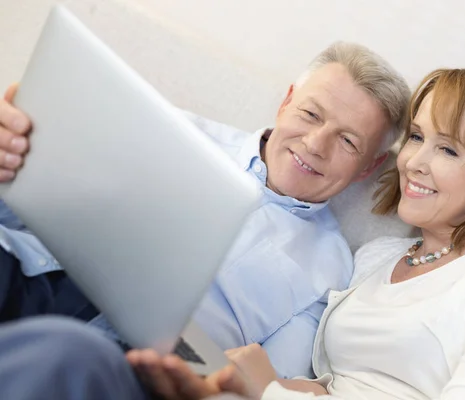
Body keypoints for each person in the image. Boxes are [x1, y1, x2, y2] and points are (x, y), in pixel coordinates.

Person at [127, 68, 465, 399]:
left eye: (447, 148)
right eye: (416, 137)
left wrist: (268, 391)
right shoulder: (377, 257)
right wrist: (225, 380)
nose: (414, 161)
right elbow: (328, 386)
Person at [0, 41, 411, 378]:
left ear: (370, 167)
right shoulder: (174, 132)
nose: (315, 144)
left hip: (140, 365)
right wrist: (12, 158)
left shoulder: (330, 273)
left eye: (348, 142)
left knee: (70, 354)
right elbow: (31, 206)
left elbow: (267, 386)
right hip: (39, 274)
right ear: (286, 102)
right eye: (310, 113)